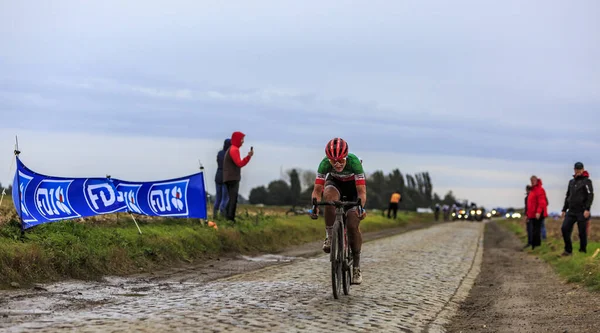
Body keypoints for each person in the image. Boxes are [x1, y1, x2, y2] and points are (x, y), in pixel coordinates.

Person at [310, 138, 367, 284]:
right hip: (335, 184)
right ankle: (329, 236)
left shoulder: (354, 162)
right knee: (329, 199)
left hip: (353, 189)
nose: (337, 164)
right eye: (333, 161)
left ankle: (356, 267)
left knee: (353, 226)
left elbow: (361, 191)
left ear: (346, 157)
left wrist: (361, 207)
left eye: (341, 160)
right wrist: (315, 205)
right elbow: (317, 190)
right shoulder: (324, 164)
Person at [560, 162, 594, 256]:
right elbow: (568, 196)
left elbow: (590, 195)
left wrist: (587, 209)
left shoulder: (587, 181)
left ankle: (582, 251)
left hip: (582, 211)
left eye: (580, 169)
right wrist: (564, 209)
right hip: (571, 211)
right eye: (576, 169)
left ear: (583, 170)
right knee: (564, 228)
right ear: (574, 170)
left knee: (582, 232)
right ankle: (568, 250)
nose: (578, 171)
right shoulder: (571, 182)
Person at [223, 131, 253, 222]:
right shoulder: (234, 149)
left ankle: (226, 216)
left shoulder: (231, 149)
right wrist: (248, 157)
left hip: (229, 177)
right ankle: (230, 219)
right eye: (242, 139)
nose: (243, 141)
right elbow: (239, 163)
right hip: (232, 178)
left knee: (232, 198)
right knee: (233, 199)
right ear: (237, 139)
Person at [526, 175, 548, 249]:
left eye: (533, 181)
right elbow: (530, 204)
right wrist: (528, 215)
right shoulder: (533, 190)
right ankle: (534, 245)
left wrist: (538, 212)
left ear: (536, 180)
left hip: (538, 214)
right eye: (531, 181)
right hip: (532, 214)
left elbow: (542, 202)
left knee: (536, 230)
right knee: (533, 229)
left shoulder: (539, 189)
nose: (532, 182)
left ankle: (536, 245)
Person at [213, 138, 231, 218]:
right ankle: (222, 215)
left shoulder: (219, 153)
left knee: (218, 198)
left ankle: (215, 215)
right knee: (225, 198)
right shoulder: (230, 154)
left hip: (218, 176)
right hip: (226, 177)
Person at [523, 185, 532, 249]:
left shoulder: (531, 197)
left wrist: (527, 215)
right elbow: (526, 208)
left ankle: (530, 243)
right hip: (529, 215)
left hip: (531, 216)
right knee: (529, 230)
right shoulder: (526, 198)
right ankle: (529, 243)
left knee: (530, 230)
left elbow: (528, 208)